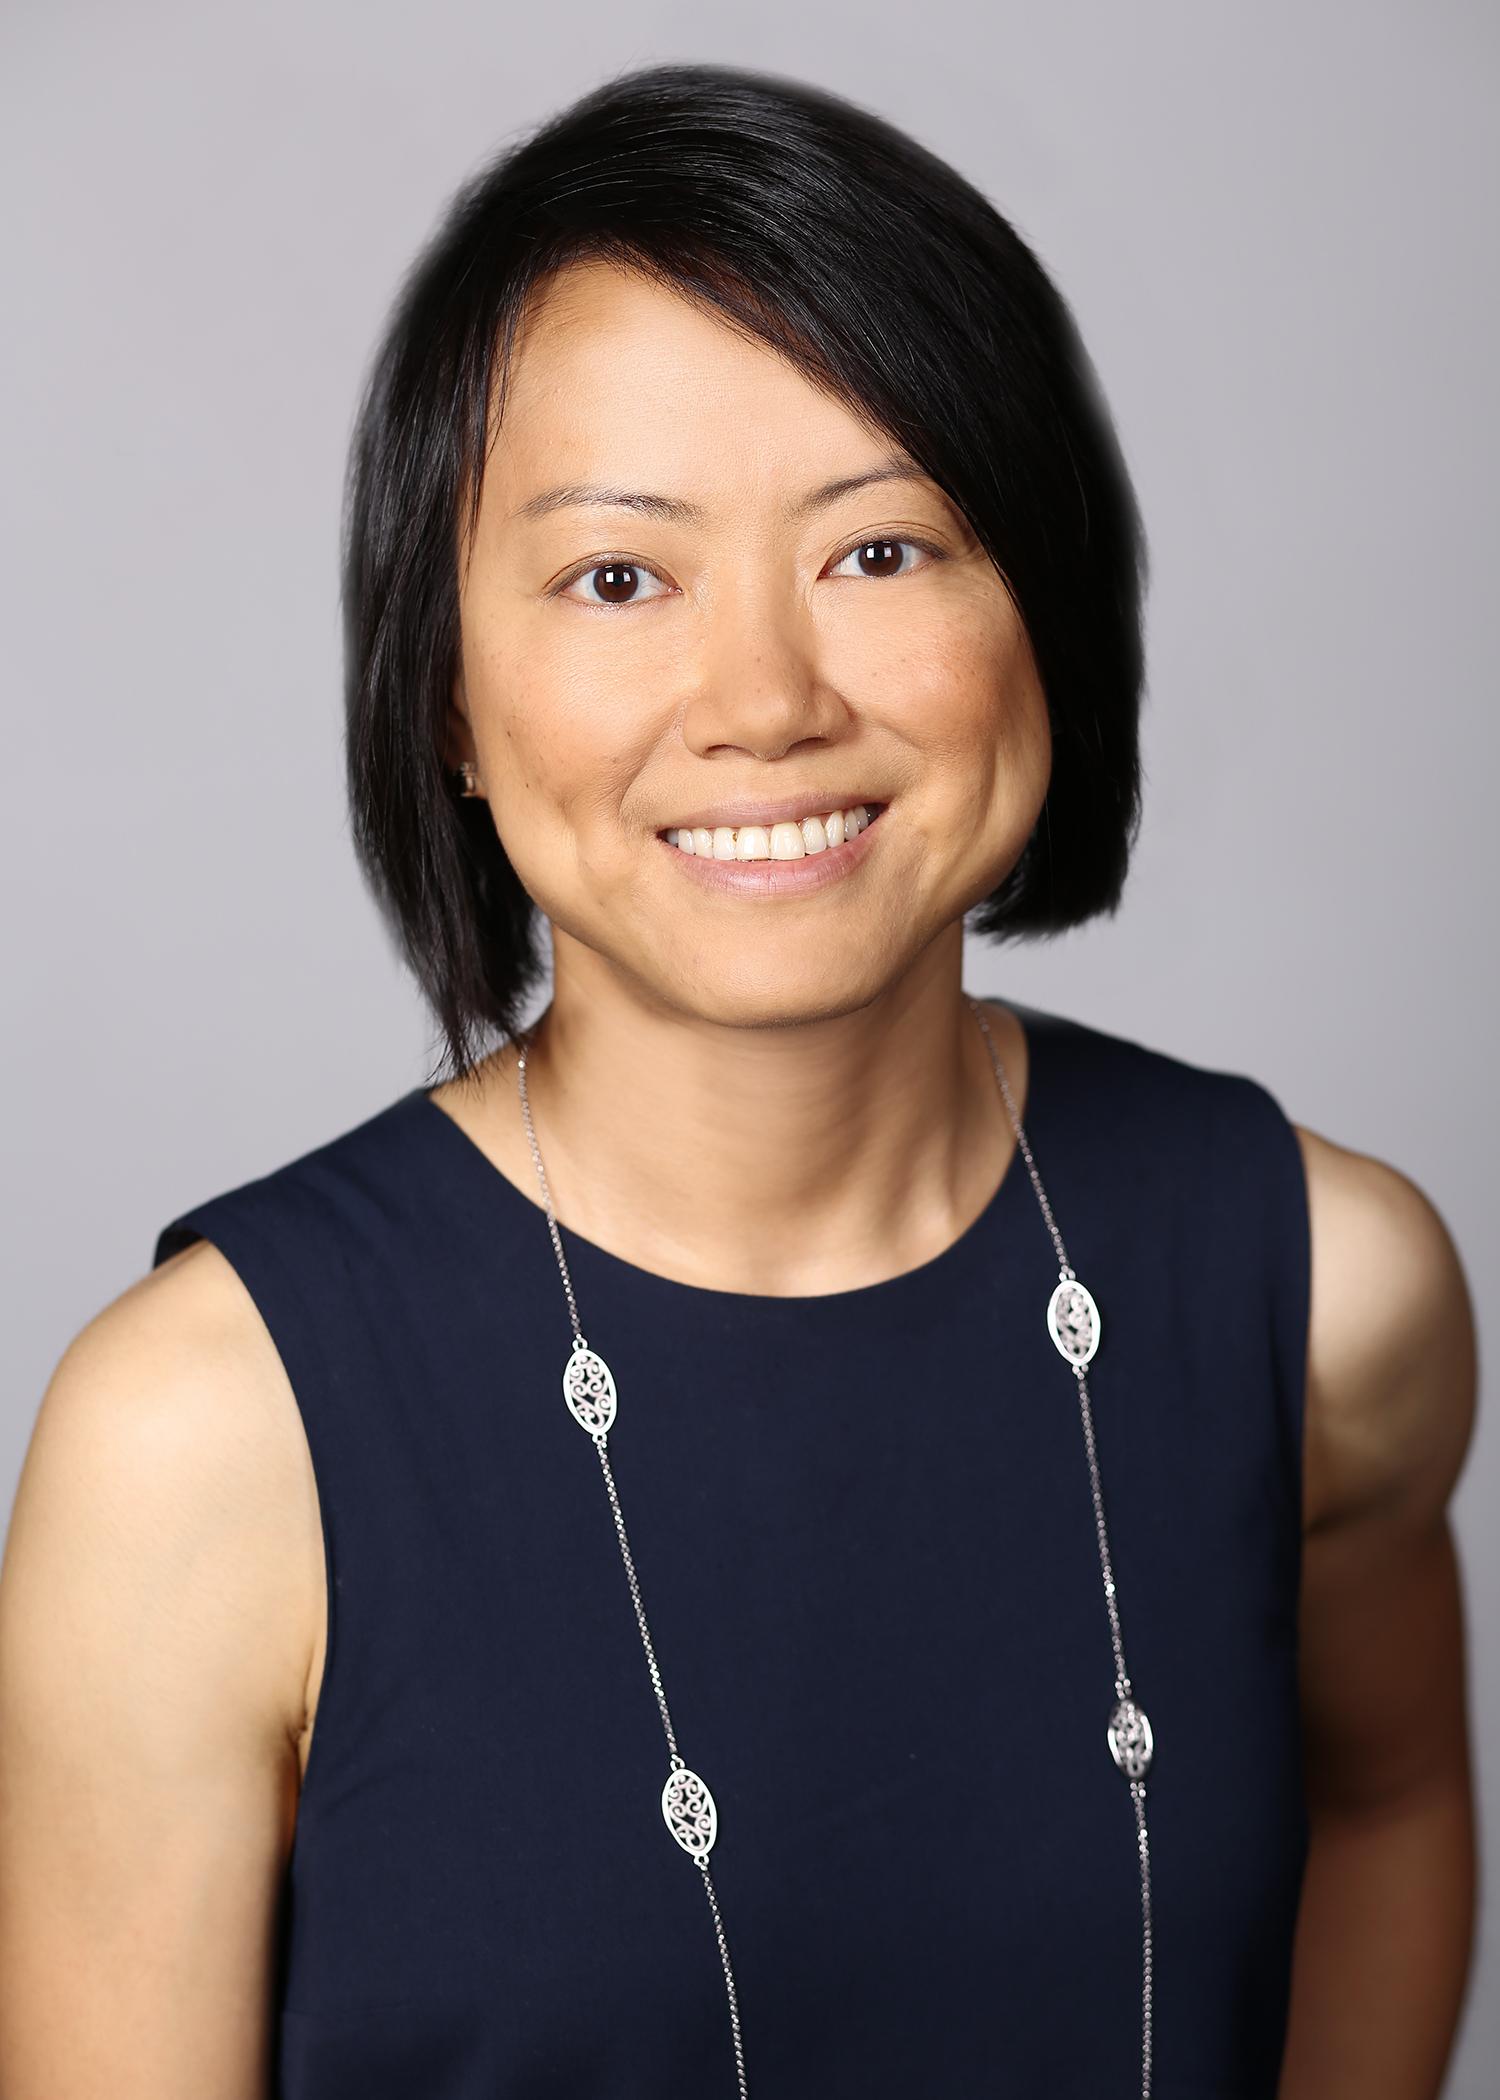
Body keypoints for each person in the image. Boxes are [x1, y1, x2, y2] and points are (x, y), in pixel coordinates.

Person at [0, 66, 1475, 2100]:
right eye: (620, 577)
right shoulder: (196, 1442)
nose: (768, 701)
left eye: (882, 551)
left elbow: (1390, 1808)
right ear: (448, 693)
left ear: (1041, 609)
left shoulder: (1332, 1295)